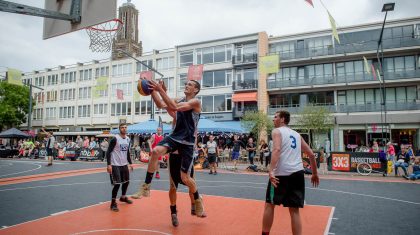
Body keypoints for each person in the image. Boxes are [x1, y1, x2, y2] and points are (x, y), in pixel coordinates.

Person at [131, 78, 206, 218]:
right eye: (186, 83)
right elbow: (160, 104)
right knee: (155, 151)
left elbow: (175, 107)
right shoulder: (179, 99)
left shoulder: (196, 102)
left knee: (185, 178)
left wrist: (160, 90)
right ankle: (146, 186)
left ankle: (197, 198)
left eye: (190, 84)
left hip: (188, 142)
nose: (186, 85)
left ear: (195, 89)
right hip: (176, 136)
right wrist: (152, 90)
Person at [262, 110, 319, 235]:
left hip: (281, 174)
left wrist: (271, 171)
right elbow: (311, 154)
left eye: (275, 117)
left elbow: (276, 150)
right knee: (294, 210)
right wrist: (314, 173)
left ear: (282, 119)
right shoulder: (297, 135)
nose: (273, 119)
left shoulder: (277, 131)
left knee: (269, 205)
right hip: (297, 173)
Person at [106, 123, 134, 212]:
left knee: (126, 182)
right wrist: (109, 164)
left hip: (124, 164)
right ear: (119, 129)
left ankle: (123, 197)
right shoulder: (115, 139)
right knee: (117, 184)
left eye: (125, 127)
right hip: (115, 164)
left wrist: (130, 163)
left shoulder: (128, 139)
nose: (124, 129)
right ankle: (113, 203)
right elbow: (108, 152)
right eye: (122, 127)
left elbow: (127, 152)